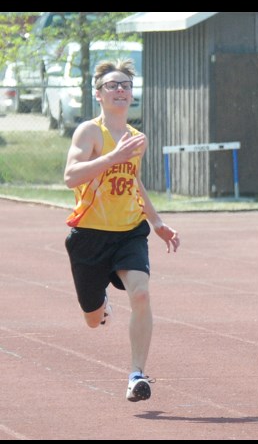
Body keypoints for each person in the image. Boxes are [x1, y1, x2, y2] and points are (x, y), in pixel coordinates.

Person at [62, 59, 181, 403]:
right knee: (91, 317)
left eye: (126, 86)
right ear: (98, 94)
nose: (120, 90)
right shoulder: (89, 132)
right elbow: (71, 176)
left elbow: (134, 183)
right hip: (89, 233)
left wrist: (156, 222)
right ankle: (100, 304)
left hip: (129, 230)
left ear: (132, 96)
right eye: (112, 85)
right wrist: (111, 158)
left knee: (141, 293)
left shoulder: (136, 138)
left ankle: (136, 376)